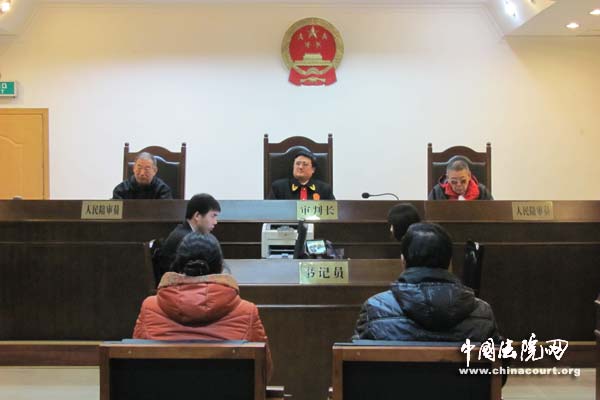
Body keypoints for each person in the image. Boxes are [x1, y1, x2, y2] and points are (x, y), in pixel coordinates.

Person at [133, 232, 273, 380]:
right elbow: (264, 373)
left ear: (178, 264)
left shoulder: (150, 307)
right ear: (220, 267)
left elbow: (135, 366)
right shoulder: (247, 311)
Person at [353, 223, 501, 343]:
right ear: (450, 262)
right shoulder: (483, 313)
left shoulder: (375, 308)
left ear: (403, 261)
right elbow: (498, 366)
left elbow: (354, 363)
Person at [155, 193, 221, 279]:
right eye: (213, 216)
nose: (215, 222)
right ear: (197, 216)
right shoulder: (187, 240)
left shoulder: (183, 231)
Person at [269, 150, 335, 200]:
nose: (300, 167)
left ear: (313, 170)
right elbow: (269, 211)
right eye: (297, 164)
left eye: (305, 164)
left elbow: (333, 211)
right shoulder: (278, 188)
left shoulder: (325, 190)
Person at [428, 158, 493, 201]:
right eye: (454, 182)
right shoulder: (436, 193)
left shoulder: (482, 192)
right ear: (448, 178)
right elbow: (429, 215)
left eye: (463, 181)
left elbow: (492, 213)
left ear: (469, 176)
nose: (459, 185)